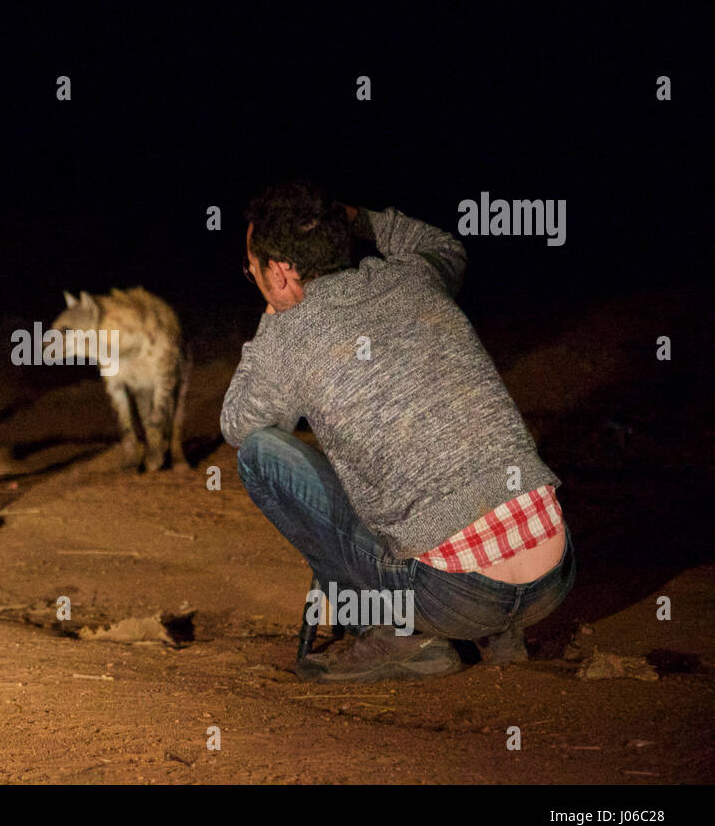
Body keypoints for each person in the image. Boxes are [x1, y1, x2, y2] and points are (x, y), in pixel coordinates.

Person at [221, 180, 574, 682]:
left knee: (259, 453)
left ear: (279, 272)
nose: (250, 274)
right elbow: (446, 245)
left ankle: (404, 634)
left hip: (454, 596)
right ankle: (499, 631)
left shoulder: (287, 336)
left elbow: (236, 424)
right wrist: (356, 216)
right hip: (553, 577)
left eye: (251, 266)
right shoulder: (415, 275)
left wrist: (273, 318)